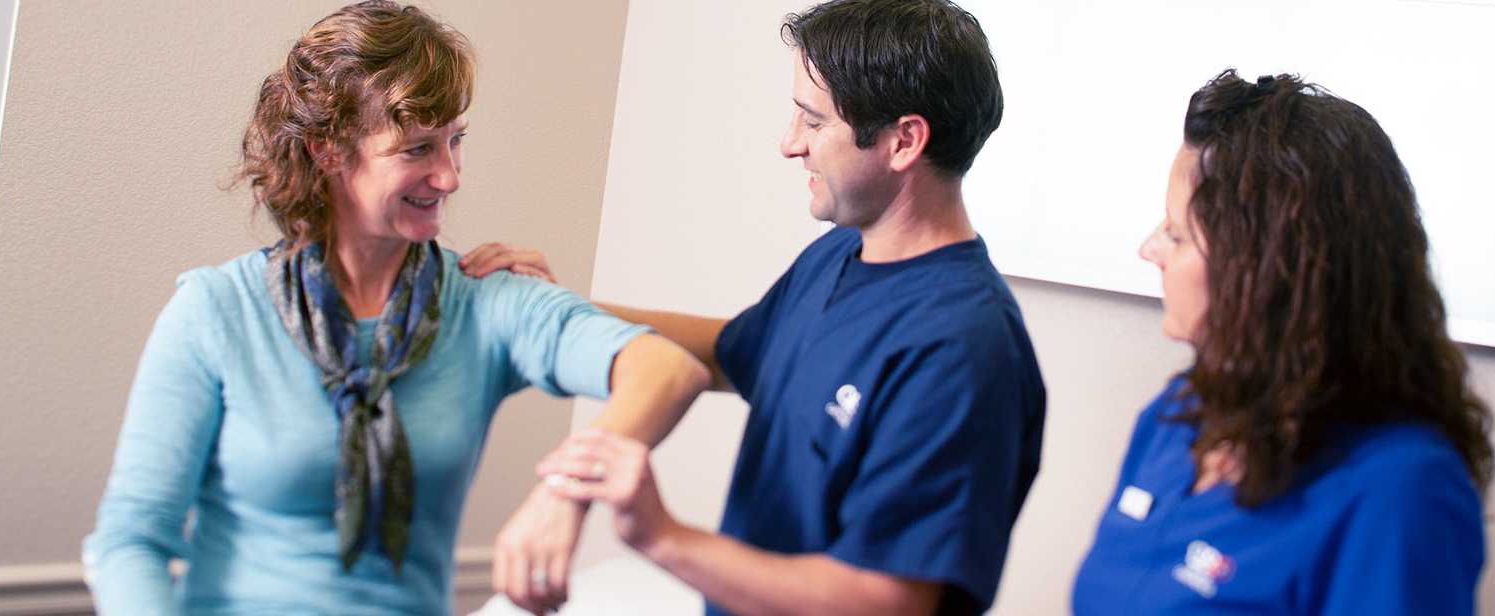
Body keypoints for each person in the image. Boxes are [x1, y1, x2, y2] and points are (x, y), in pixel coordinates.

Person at [81, 3, 709, 615]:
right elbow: (129, 541)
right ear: (330, 150)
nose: (450, 177)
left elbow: (665, 370)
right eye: (417, 150)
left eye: (455, 142)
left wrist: (563, 493)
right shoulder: (216, 311)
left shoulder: (486, 300)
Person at [462, 1, 1045, 614]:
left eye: (813, 122)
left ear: (903, 141)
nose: (789, 144)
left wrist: (665, 537)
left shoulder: (962, 349)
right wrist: (563, 309)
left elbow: (888, 602)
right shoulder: (843, 253)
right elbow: (736, 352)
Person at [1069, 69, 1495, 615]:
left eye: (1176, 233)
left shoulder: (1398, 492)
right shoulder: (1177, 416)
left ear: (1266, 268)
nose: (1149, 249)